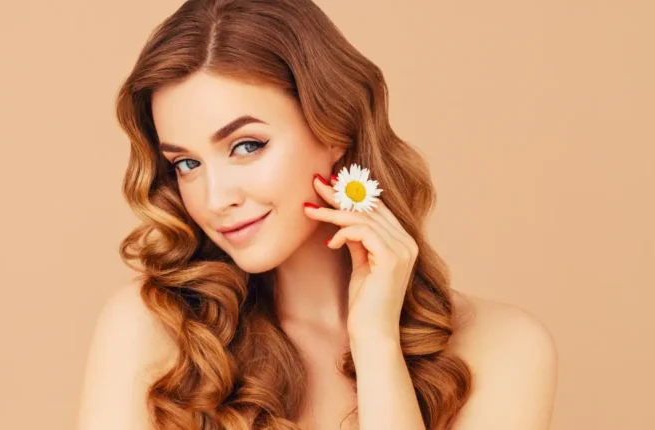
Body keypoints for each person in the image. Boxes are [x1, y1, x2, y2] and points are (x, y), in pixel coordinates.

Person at [77, 0, 558, 429]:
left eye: (247, 146)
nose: (215, 197)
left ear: (335, 128)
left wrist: (376, 344)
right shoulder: (154, 330)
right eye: (187, 163)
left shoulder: (503, 349)